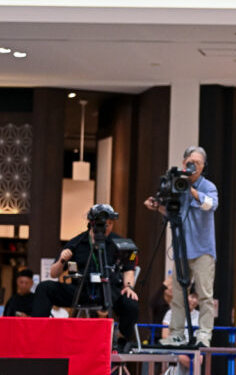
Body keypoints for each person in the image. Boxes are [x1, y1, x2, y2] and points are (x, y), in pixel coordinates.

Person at [31, 204, 140, 352]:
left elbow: (129, 269)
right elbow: (53, 274)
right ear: (92, 223)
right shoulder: (77, 242)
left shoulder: (120, 243)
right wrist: (62, 260)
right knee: (44, 288)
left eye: (110, 224)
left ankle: (121, 340)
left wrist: (128, 286)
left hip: (109, 292)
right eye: (104, 224)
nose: (107, 227)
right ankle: (39, 336)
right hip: (81, 291)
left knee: (131, 302)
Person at [145, 145, 219, 348]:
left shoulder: (208, 186)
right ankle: (176, 334)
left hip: (203, 250)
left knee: (205, 295)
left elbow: (211, 205)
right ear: (183, 163)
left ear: (203, 166)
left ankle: (204, 335)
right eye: (190, 162)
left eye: (197, 163)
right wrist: (157, 207)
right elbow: (172, 213)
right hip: (181, 249)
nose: (193, 166)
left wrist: (191, 191)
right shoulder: (176, 184)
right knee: (178, 294)